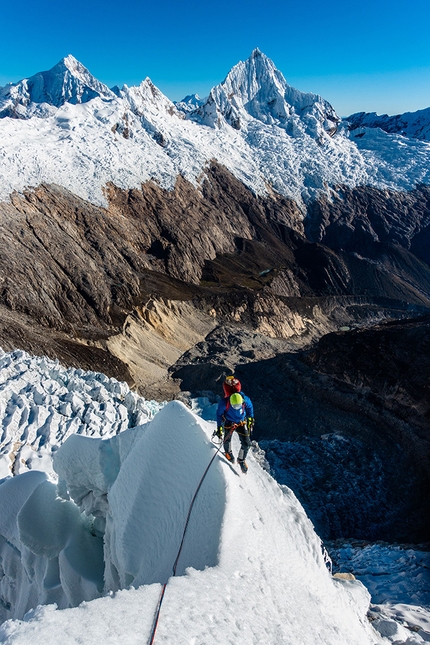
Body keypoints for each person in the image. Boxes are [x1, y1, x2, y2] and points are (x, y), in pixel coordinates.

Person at [216, 390, 254, 474]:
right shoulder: (224, 403)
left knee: (247, 443)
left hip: (241, 422)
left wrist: (251, 417)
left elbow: (250, 406)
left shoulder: (245, 400)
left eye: (238, 405)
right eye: (234, 406)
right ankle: (228, 453)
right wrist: (219, 427)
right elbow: (219, 414)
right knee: (227, 439)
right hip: (229, 422)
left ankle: (241, 460)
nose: (237, 407)